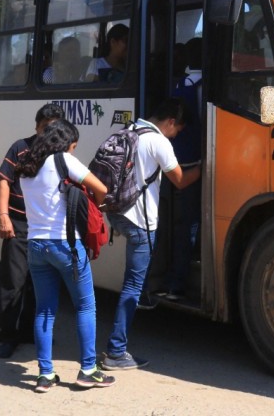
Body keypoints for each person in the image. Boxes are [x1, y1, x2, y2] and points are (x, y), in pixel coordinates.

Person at [101, 97, 201, 371]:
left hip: (117, 213)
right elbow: (180, 181)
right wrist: (205, 166)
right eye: (178, 129)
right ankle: (116, 351)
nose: (177, 133)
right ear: (170, 122)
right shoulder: (159, 142)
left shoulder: (129, 130)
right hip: (141, 222)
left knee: (134, 282)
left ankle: (145, 295)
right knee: (131, 287)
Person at [15, 119, 114, 393]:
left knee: (45, 309)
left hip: (35, 246)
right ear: (64, 144)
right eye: (73, 146)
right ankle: (88, 370)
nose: (73, 150)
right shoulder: (63, 161)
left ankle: (45, 375)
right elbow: (101, 189)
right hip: (65, 245)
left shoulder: (26, 166)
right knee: (85, 306)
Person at [0, 103, 65, 360]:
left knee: (39, 285)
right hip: (19, 225)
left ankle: (29, 332)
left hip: (45, 228)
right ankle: (8, 337)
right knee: (13, 284)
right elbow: (4, 180)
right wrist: (4, 217)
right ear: (36, 127)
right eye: (45, 128)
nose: (49, 133)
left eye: (54, 128)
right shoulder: (20, 148)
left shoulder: (60, 153)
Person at [164, 37, 203, 300]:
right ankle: (179, 280)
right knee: (190, 224)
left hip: (183, 162)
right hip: (200, 163)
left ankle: (177, 282)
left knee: (182, 224)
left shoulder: (182, 86)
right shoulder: (206, 86)